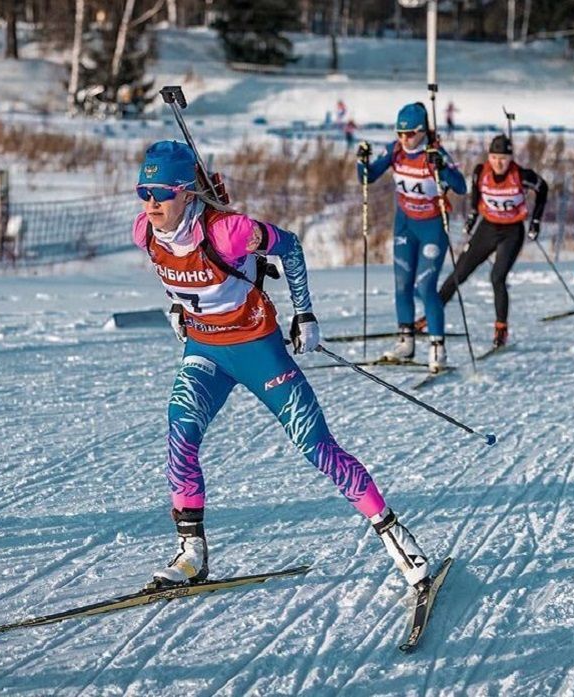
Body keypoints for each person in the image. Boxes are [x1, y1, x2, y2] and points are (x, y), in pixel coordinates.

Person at [133, 141, 432, 589]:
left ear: (187, 192)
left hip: (258, 349)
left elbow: (290, 247)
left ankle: (393, 534)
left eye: (161, 193)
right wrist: (178, 306)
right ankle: (191, 552)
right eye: (144, 192)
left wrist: (304, 313)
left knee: (316, 445)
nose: (151, 203)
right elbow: (175, 273)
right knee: (180, 433)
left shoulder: (228, 232)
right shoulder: (143, 232)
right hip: (205, 351)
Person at [356, 102, 467, 372]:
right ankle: (406, 341)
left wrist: (444, 168)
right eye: (400, 133)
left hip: (432, 227)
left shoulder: (434, 152)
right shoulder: (395, 150)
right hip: (405, 225)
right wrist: (362, 161)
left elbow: (461, 187)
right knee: (402, 284)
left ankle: (437, 346)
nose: (404, 139)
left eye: (410, 134)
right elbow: (367, 178)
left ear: (422, 131)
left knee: (426, 287)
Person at [433, 134, 548, 347]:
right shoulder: (481, 172)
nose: (498, 163)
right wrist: (472, 216)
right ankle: (432, 316)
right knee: (459, 273)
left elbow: (543, 188)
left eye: (503, 158)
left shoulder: (522, 175)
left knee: (497, 277)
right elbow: (476, 196)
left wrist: (536, 221)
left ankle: (501, 328)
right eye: (494, 157)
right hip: (488, 228)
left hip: (512, 231)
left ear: (510, 158)